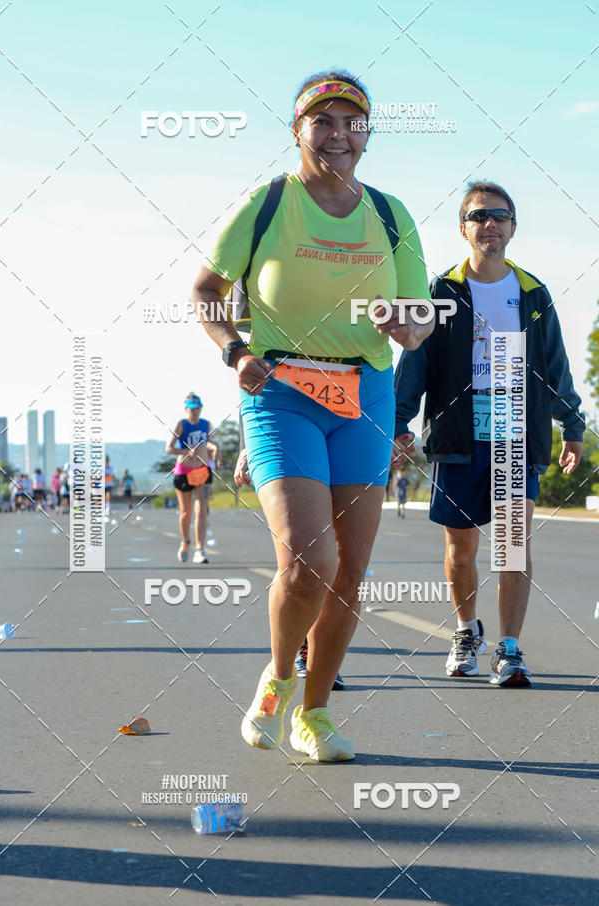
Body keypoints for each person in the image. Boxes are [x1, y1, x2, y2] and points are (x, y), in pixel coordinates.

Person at [193, 70, 432, 761]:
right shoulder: (267, 205)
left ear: (367, 136)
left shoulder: (391, 215)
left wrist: (408, 325)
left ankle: (316, 715)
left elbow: (419, 315)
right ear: (296, 131)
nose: (336, 136)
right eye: (321, 122)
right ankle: (278, 678)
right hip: (281, 391)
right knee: (310, 560)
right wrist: (233, 349)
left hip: (366, 396)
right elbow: (208, 288)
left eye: (351, 123)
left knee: (351, 570)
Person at [394, 180, 584, 687]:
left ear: (513, 227)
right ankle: (464, 632)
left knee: (512, 544)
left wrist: (572, 423)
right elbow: (414, 361)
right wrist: (398, 425)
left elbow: (555, 365)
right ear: (463, 228)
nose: (490, 224)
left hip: (514, 422)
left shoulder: (533, 293)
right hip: (458, 429)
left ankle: (510, 648)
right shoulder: (440, 291)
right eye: (479, 216)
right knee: (461, 547)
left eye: (500, 216)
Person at [234, 447, 345, 691]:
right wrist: (249, 448)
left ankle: (323, 658)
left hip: (346, 438)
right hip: (297, 447)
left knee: (338, 564)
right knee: (307, 563)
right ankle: (300, 653)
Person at [165, 393, 220, 564]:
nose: (195, 411)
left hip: (202, 470)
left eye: (198, 408)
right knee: (186, 512)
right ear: (186, 409)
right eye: (192, 408)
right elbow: (169, 448)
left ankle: (200, 549)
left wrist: (215, 449)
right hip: (184, 470)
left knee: (201, 509)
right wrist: (185, 452)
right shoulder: (182, 425)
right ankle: (184, 543)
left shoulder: (206, 424)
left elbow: (207, 442)